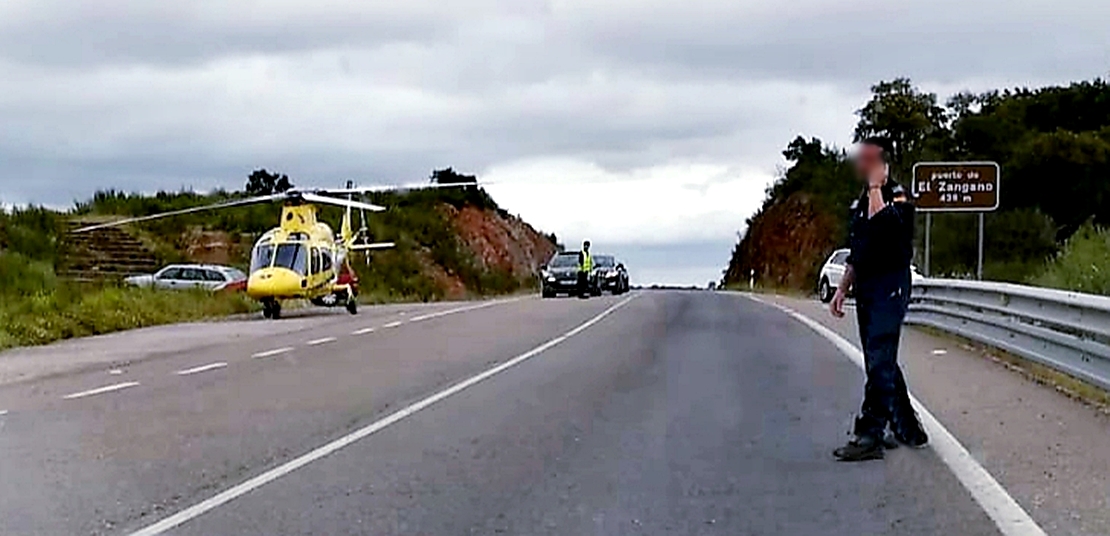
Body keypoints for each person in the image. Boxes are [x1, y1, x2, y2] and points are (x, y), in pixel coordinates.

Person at [829, 136, 928, 462]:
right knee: (877, 359)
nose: (862, 164)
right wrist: (843, 289)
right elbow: (859, 249)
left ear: (883, 164)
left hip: (891, 284)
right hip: (868, 286)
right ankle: (905, 428)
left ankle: (870, 432)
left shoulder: (898, 197)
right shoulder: (862, 200)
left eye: (869, 159)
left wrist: (876, 190)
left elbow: (885, 229)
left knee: (881, 358)